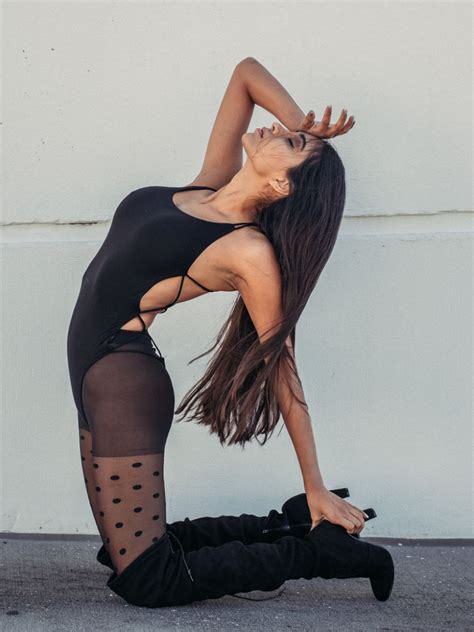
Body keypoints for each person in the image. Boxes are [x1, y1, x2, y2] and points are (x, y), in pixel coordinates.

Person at [66, 56, 394, 607]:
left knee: (148, 579)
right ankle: (286, 523)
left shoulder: (248, 252)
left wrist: (315, 483)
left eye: (291, 143)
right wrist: (303, 124)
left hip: (122, 382)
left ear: (282, 184)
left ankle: (320, 553)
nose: (278, 129)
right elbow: (246, 74)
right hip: (91, 371)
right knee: (121, 552)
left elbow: (282, 369)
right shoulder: (208, 184)